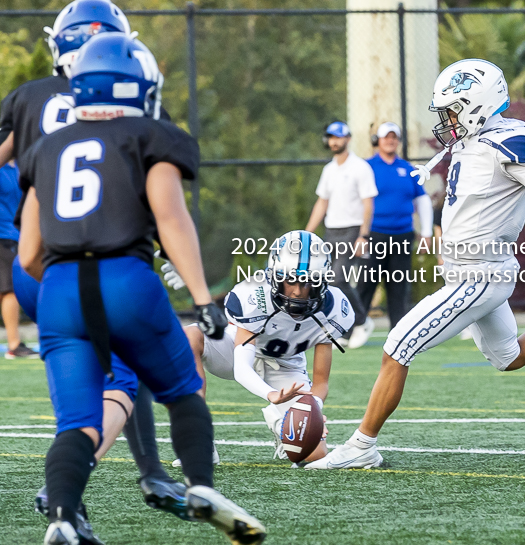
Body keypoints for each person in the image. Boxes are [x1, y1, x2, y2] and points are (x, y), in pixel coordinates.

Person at [306, 58, 525, 470]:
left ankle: (362, 446)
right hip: (470, 268)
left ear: (476, 105)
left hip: (480, 273)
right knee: (509, 355)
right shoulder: (471, 138)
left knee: (396, 348)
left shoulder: (510, 142)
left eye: (453, 109)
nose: (448, 120)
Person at [17, 33, 265, 545]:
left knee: (78, 423)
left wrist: (69, 292)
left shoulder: (46, 147)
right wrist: (201, 297)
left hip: (58, 289)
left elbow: (26, 255)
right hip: (127, 278)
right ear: (136, 87)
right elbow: (171, 219)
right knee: (181, 391)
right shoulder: (151, 134)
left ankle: (63, 517)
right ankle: (200, 486)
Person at [0, 0, 190, 532]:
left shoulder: (30, 98)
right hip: (102, 264)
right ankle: (68, 488)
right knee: (126, 377)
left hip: (34, 265)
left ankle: (147, 472)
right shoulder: (141, 102)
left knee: (93, 374)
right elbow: (162, 196)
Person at [175, 230, 353, 464]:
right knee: (190, 336)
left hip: (285, 365)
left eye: (308, 281)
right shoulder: (253, 294)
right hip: (235, 351)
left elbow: (321, 383)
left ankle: (279, 423)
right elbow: (242, 367)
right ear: (275, 275)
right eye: (290, 280)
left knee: (313, 454)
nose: (298, 291)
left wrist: (310, 411)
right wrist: (270, 395)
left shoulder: (333, 309)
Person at [357, 122, 433, 335]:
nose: (390, 141)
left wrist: (426, 232)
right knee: (366, 283)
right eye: (386, 137)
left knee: (399, 286)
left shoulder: (408, 169)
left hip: (402, 236)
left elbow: (423, 200)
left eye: (394, 137)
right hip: (374, 235)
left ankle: (398, 332)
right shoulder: (366, 167)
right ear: (377, 141)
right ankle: (353, 328)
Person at [306, 121, 377, 348]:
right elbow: (322, 202)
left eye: (339, 137)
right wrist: (307, 233)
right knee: (330, 282)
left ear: (348, 139)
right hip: (331, 231)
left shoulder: (360, 167)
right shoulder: (329, 170)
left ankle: (363, 321)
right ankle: (345, 328)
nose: (335, 141)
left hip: (353, 230)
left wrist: (363, 236)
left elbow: (368, 204)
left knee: (339, 278)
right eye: (331, 137)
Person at [0, 159, 35, 358]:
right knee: (9, 289)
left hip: (19, 234)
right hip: (2, 234)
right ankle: (14, 344)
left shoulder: (20, 167)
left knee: (9, 289)